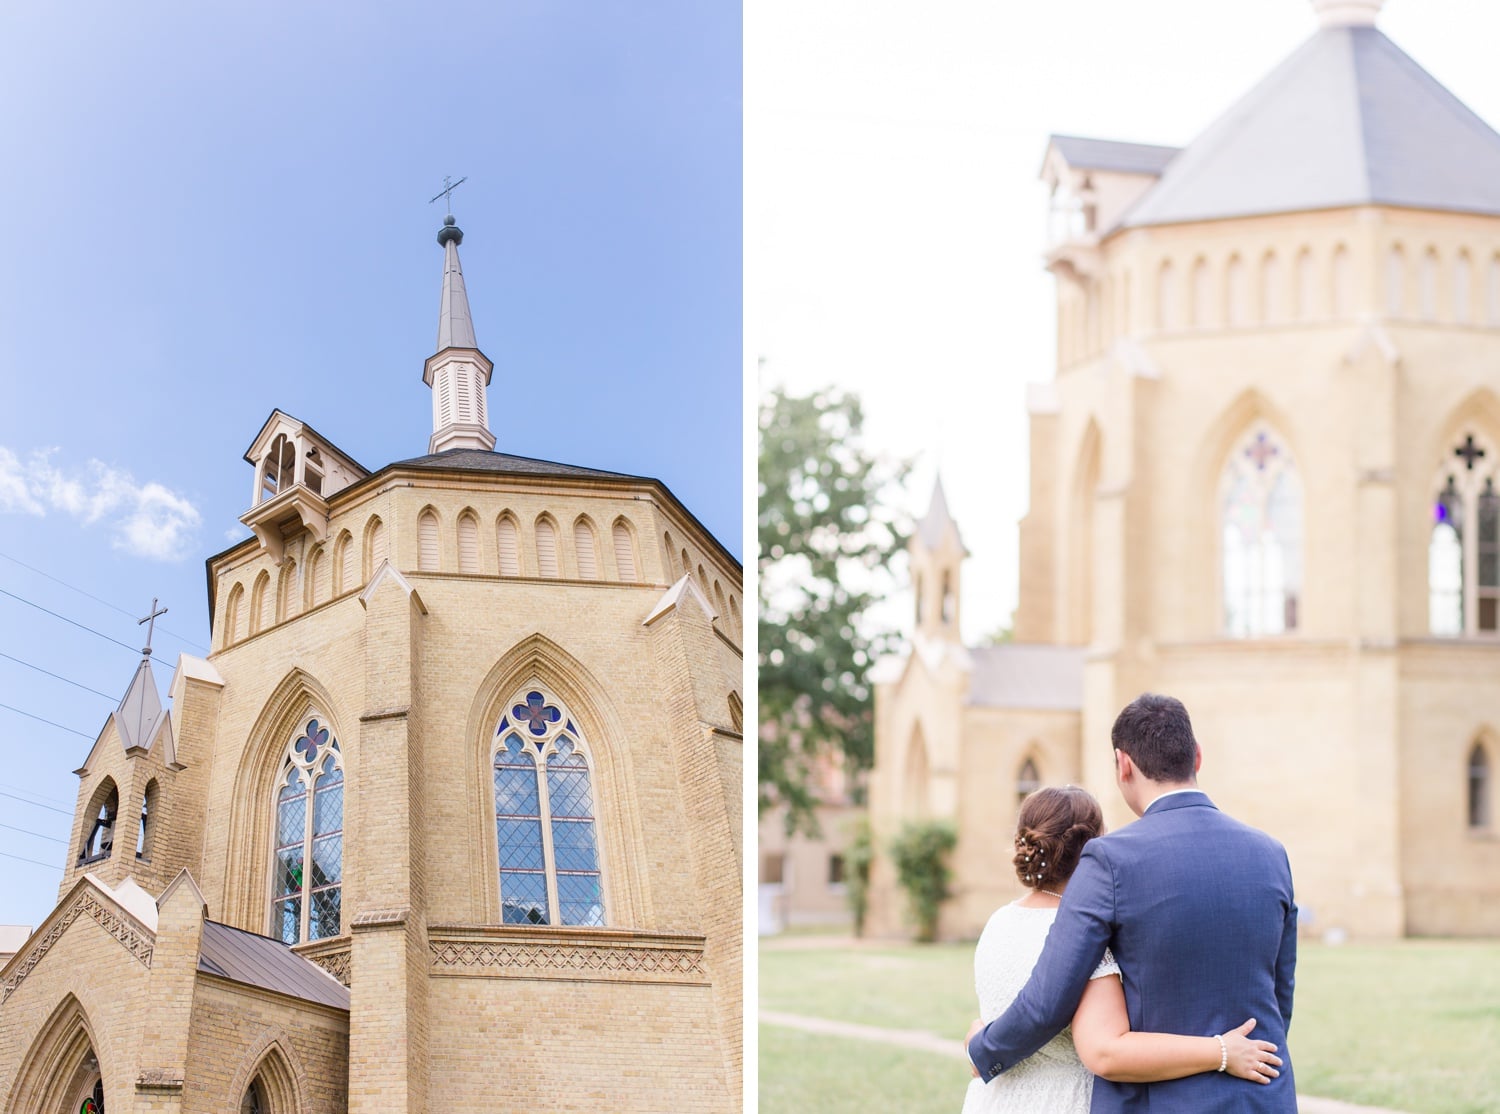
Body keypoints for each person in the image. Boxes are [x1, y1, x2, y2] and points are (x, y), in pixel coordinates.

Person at [965, 694, 1298, 1112]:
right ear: (1196, 756)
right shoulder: (1271, 853)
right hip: (1258, 1097)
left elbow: (1048, 999)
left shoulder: (1110, 860)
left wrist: (984, 1049)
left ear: (1123, 764)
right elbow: (1279, 996)